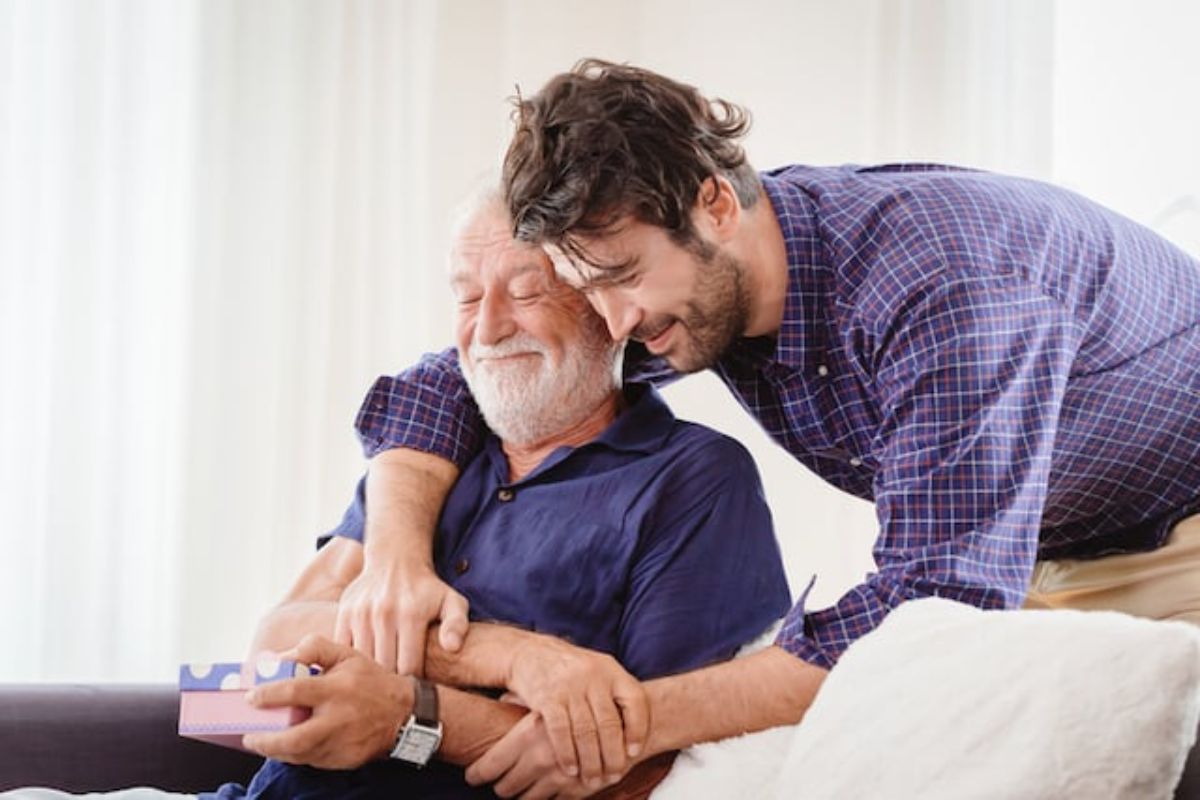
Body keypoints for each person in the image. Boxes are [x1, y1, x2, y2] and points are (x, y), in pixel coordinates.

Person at [341, 59, 1200, 795]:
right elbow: (453, 380)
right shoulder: (689, 293)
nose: (614, 318)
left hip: (1178, 533)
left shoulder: (941, 287)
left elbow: (933, 604)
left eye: (623, 276)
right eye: (581, 283)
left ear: (714, 204)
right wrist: (396, 564)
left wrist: (612, 724)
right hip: (1030, 544)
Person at [201, 188, 791, 800]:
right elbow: (249, 674)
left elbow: (653, 772)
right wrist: (508, 656)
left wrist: (411, 715)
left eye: (527, 291)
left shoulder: (692, 478)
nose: (487, 328)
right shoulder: (427, 460)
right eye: (467, 296)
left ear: (606, 308)